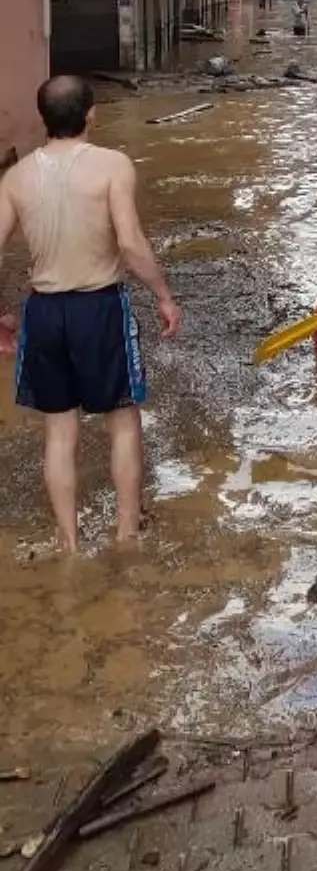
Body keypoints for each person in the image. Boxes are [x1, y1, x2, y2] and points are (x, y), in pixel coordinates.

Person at [0, 76, 181, 553]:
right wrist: (162, 293)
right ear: (91, 114)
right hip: (98, 307)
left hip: (43, 310)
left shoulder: (15, 179)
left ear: (44, 117)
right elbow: (129, 242)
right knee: (122, 419)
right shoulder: (112, 166)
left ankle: (69, 543)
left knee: (59, 431)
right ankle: (126, 535)